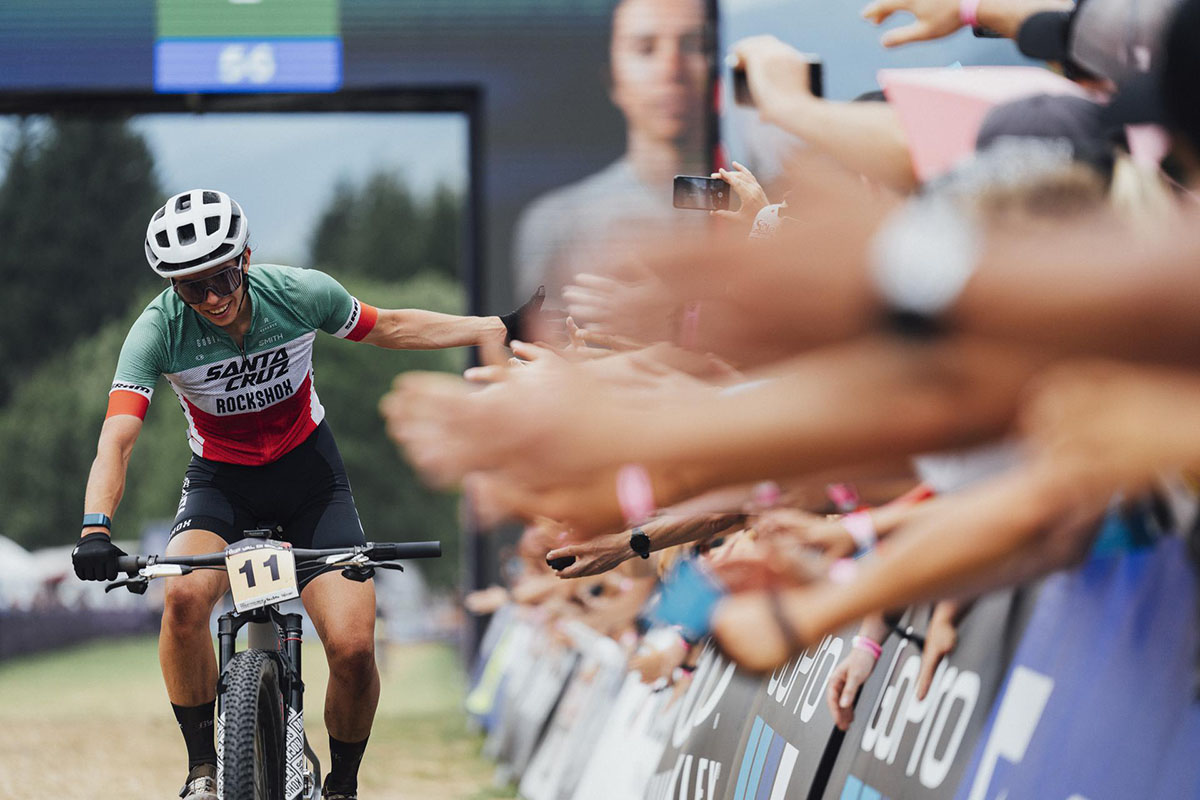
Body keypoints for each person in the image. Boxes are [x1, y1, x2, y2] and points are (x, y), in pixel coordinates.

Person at [70, 189, 539, 800]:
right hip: (221, 485)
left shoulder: (298, 293)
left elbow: (390, 327)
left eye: (220, 276)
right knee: (183, 599)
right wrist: (95, 527)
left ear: (244, 256)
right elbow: (119, 436)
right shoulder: (158, 329)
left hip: (310, 481)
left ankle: (342, 785)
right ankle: (202, 771)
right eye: (192, 287)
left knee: (350, 645)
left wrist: (501, 326)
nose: (212, 298)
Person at [512, 0, 712, 303]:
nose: (672, 69)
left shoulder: (761, 211)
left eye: (695, 45)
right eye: (645, 48)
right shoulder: (557, 223)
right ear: (612, 78)